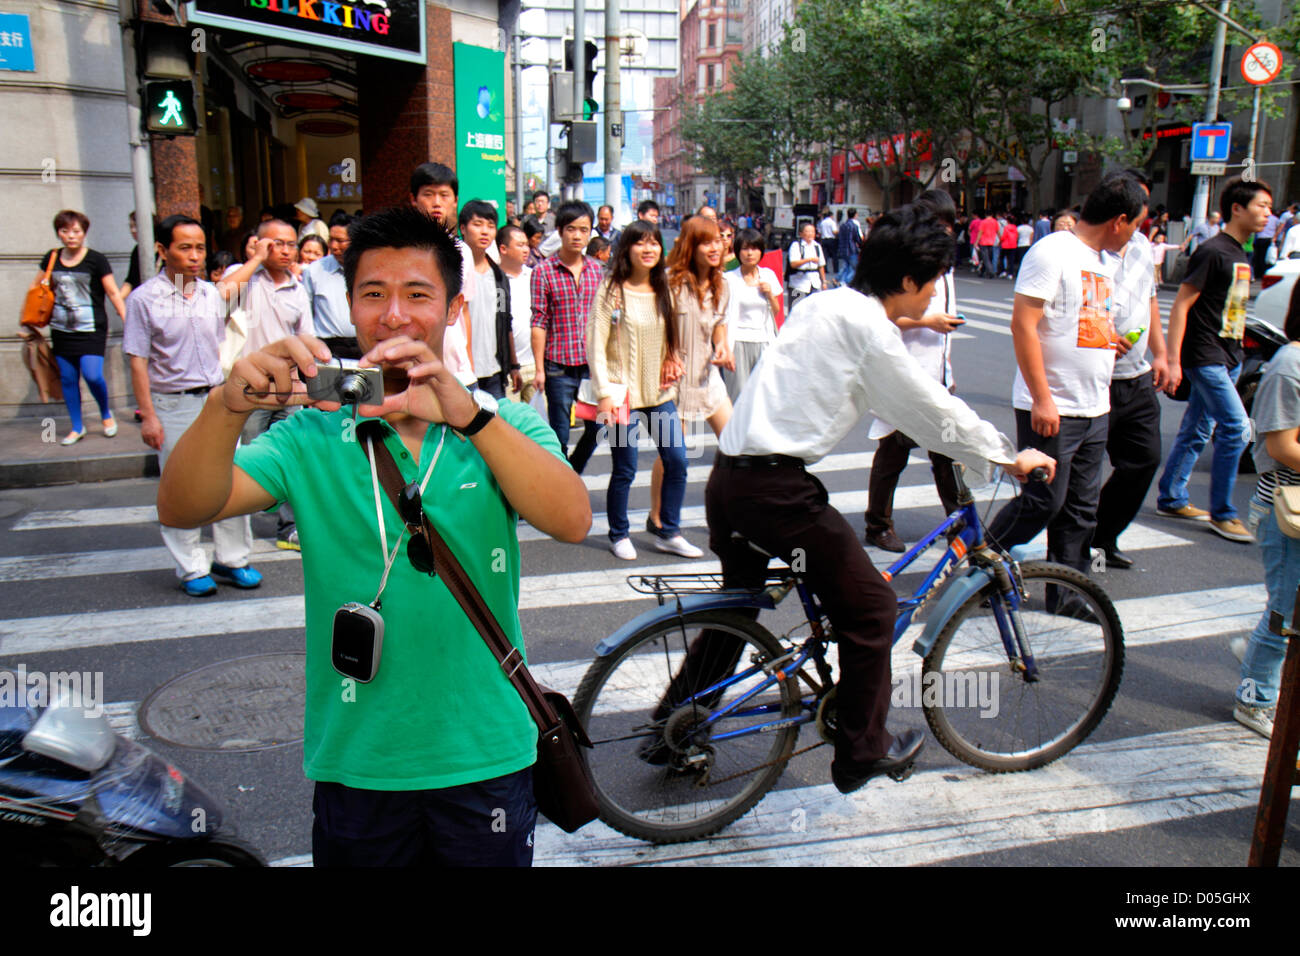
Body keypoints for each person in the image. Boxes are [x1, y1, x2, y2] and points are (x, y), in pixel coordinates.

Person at [154, 204, 592, 866]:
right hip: (359, 760)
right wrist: (226, 405)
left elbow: (571, 519)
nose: (393, 315)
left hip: (486, 753)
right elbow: (185, 506)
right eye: (373, 294)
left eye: (418, 294)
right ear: (348, 305)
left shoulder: (505, 424)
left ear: (451, 307)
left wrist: (468, 416)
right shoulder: (311, 432)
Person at [671, 205, 1054, 796]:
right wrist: (1008, 455)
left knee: (737, 610)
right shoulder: (871, 330)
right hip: (778, 492)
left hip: (731, 481)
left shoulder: (821, 301)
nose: (932, 292)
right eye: (930, 281)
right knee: (874, 609)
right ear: (906, 282)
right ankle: (861, 753)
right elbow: (928, 407)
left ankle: (671, 725)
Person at [984, 173, 1148, 581]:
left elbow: (1078, 319)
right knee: (1043, 502)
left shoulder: (1102, 261)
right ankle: (979, 563)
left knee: (1080, 510)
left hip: (1095, 405)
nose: (1135, 236)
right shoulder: (1052, 251)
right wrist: (1042, 398)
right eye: (1136, 226)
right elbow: (1023, 325)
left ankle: (1068, 592)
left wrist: (1108, 338)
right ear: (1119, 220)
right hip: (1054, 405)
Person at [124, 214, 264, 597]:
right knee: (182, 486)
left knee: (232, 479)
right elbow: (137, 359)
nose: (194, 256)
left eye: (199, 247)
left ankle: (232, 558)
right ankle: (190, 567)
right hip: (173, 405)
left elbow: (234, 291)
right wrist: (148, 416)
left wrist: (257, 256)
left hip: (217, 400)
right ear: (162, 250)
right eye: (184, 247)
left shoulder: (209, 294)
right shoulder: (143, 300)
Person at [1157, 177, 1274, 542]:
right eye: (1262, 206)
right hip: (1205, 356)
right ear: (1237, 208)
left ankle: (1172, 496)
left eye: (1270, 207)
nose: (1268, 213)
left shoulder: (1241, 251)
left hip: (1230, 355)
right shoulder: (1213, 251)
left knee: (1197, 430)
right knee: (1237, 429)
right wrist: (1173, 360)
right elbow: (1181, 306)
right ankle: (1223, 512)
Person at [863, 189, 965, 553]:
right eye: (940, 225)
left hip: (937, 377)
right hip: (903, 379)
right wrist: (927, 319)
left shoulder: (946, 267)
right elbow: (881, 314)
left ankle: (961, 525)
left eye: (951, 226)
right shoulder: (902, 265)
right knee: (892, 456)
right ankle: (878, 524)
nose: (947, 233)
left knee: (948, 453)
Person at [587, 221, 691, 560]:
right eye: (640, 243)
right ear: (627, 249)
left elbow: (673, 336)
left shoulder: (664, 289)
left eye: (655, 243)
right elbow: (595, 345)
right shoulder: (611, 290)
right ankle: (619, 533)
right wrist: (603, 392)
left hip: (659, 396)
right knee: (626, 467)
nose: (649, 249)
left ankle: (669, 531)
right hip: (621, 397)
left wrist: (674, 358)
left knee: (677, 460)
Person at [1232, 280, 1300, 739]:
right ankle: (1253, 699)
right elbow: (1280, 446)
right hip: (1287, 511)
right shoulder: (1291, 366)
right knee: (1286, 611)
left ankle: (1259, 653)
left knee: (1287, 609)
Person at [643, 215, 733, 556]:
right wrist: (666, 355)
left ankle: (727, 512)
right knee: (672, 456)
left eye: (720, 240)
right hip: (673, 384)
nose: (716, 247)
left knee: (737, 444)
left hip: (708, 379)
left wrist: (722, 344)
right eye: (707, 241)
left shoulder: (720, 283)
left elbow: (719, 323)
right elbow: (651, 327)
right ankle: (659, 519)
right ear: (690, 246)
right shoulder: (669, 282)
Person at [1093, 170, 1170, 569]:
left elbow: (1151, 302)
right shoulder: (1085, 249)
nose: (1142, 216)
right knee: (1072, 477)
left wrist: (1163, 355)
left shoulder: (1140, 246)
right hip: (1093, 381)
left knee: (1143, 460)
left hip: (1136, 377)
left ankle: (1103, 534)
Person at [237, 219, 314, 552]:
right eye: (277, 243)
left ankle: (288, 526)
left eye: (291, 244)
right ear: (259, 243)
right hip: (251, 388)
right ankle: (237, 524)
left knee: (290, 456)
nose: (285, 250)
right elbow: (219, 298)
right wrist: (255, 258)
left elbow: (307, 336)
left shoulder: (298, 287)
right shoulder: (246, 280)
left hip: (289, 388)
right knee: (253, 456)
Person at [41, 210, 127, 445]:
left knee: (92, 375)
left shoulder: (96, 259)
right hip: (61, 329)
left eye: (76, 231)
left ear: (84, 233)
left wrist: (127, 319)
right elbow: (39, 288)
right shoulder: (51, 257)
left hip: (91, 329)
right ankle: (77, 426)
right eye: (65, 231)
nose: (71, 236)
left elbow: (112, 292)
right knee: (68, 379)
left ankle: (106, 414)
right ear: (58, 233)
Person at [530, 200, 603, 473]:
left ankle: (571, 473)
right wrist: (539, 369)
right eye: (571, 229)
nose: (577, 235)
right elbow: (539, 321)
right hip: (557, 367)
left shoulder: (597, 270)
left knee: (597, 428)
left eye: (584, 230)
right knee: (558, 436)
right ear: (559, 230)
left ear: (589, 233)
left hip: (591, 367)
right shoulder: (543, 272)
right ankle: (561, 490)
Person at [409, 162, 477, 388]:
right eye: (428, 194)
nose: (437, 203)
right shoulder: (399, 251)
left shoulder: (463, 252)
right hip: (412, 369)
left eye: (444, 195)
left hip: (458, 371)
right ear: (413, 198)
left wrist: (469, 362)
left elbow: (464, 310)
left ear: (455, 201)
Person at [459, 199, 520, 399]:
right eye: (477, 224)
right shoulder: (453, 272)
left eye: (490, 226)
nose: (485, 231)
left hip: (494, 372)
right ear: (463, 229)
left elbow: (505, 320)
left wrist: (513, 365)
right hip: (462, 372)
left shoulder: (499, 276)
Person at [722, 228, 781, 403]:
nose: (750, 253)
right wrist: (725, 348)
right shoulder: (728, 279)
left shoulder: (768, 275)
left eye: (754, 248)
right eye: (745, 249)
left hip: (763, 340)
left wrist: (769, 294)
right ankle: (737, 430)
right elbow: (722, 317)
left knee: (762, 395)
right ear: (738, 251)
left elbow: (775, 311)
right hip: (737, 342)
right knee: (739, 396)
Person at [302, 212, 360, 360]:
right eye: (331, 240)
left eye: (340, 241)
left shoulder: (369, 269)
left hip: (363, 346)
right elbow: (305, 314)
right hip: (329, 349)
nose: (334, 246)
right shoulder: (314, 271)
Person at [497, 224, 537, 404]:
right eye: (520, 245)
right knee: (512, 425)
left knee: (539, 425)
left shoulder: (535, 276)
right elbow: (501, 322)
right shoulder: (495, 281)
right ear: (503, 249)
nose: (526, 249)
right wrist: (512, 365)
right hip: (508, 368)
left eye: (527, 244)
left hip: (536, 365)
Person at [787, 221, 826, 306]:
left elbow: (821, 265)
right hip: (798, 283)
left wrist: (824, 282)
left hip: (815, 282)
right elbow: (793, 264)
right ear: (801, 233)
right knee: (796, 308)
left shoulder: (817, 246)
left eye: (812, 231)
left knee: (814, 310)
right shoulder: (796, 245)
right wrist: (809, 259)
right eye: (807, 231)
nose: (810, 234)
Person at [837, 207, 864, 285]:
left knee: (846, 266)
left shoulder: (842, 225)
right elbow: (857, 238)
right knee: (853, 268)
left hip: (843, 249)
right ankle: (846, 282)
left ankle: (841, 281)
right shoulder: (854, 226)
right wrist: (861, 246)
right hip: (852, 249)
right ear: (855, 215)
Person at [976, 209, 1000, 278]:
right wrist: (1000, 240)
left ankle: (991, 272)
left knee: (986, 258)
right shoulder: (995, 222)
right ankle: (982, 271)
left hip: (983, 242)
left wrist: (976, 242)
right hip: (992, 242)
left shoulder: (983, 222)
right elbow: (998, 231)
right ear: (992, 215)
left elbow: (980, 232)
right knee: (988, 257)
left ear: (985, 215)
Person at [819, 207, 839, 281]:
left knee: (825, 256)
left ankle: (825, 269)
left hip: (824, 240)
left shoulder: (822, 222)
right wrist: (838, 232)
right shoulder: (832, 222)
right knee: (834, 255)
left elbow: (820, 232)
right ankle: (835, 269)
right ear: (831, 216)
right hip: (831, 239)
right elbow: (834, 232)